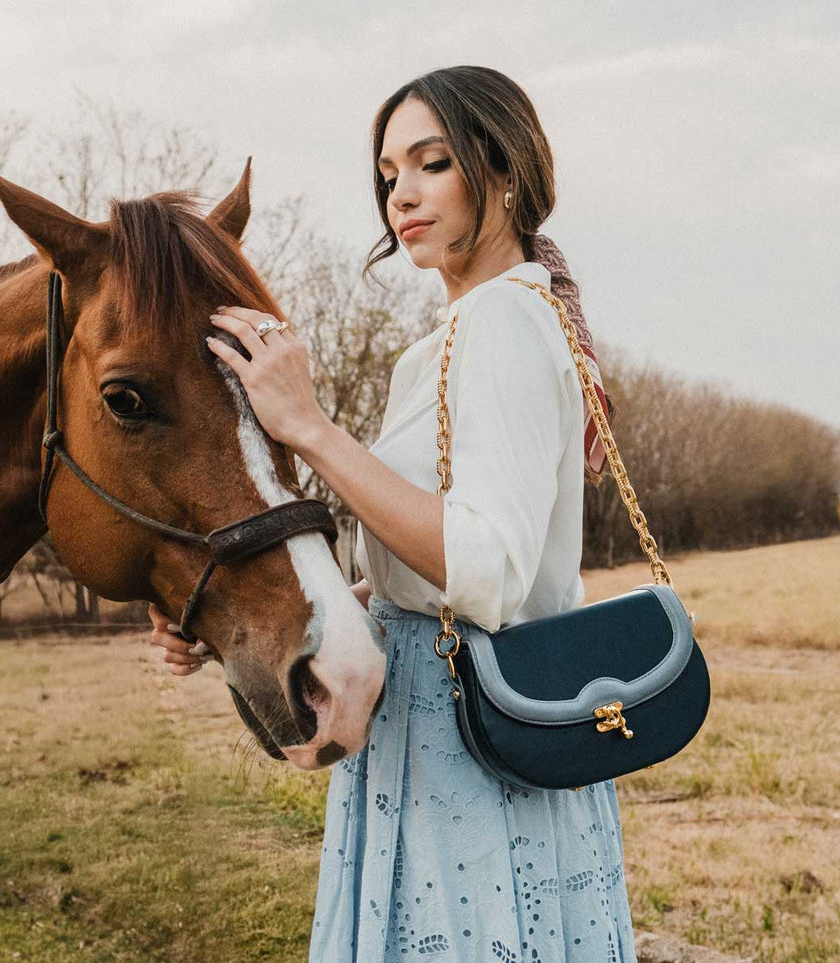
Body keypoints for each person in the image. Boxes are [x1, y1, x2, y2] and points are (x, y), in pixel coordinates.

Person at [149, 65, 635, 962]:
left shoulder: (500, 325)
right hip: (439, 735)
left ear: (503, 169)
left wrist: (312, 428)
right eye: (386, 174)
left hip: (470, 750)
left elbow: (486, 572)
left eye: (431, 163)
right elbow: (433, 565)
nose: (399, 195)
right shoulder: (461, 335)